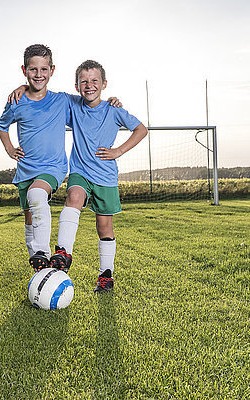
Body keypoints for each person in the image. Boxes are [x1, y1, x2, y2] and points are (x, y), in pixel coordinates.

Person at [10, 60, 148, 292]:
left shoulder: (113, 109)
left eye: (94, 80)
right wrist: (23, 88)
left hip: (105, 176)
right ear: (76, 86)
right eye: (83, 81)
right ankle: (63, 252)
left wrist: (119, 151)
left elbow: (141, 129)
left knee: (104, 227)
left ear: (104, 84)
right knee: (73, 196)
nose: (89, 85)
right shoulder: (71, 106)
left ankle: (106, 275)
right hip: (80, 172)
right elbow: (43, 93)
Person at [0, 44, 69, 271]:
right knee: (30, 219)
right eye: (33, 69)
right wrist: (9, 149)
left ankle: (43, 252)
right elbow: (2, 126)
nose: (39, 74)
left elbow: (90, 102)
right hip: (26, 169)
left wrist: (112, 100)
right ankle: (40, 269)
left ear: (52, 70)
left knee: (37, 194)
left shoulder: (62, 101)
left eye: (44, 69)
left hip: (53, 167)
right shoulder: (16, 101)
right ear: (24, 70)